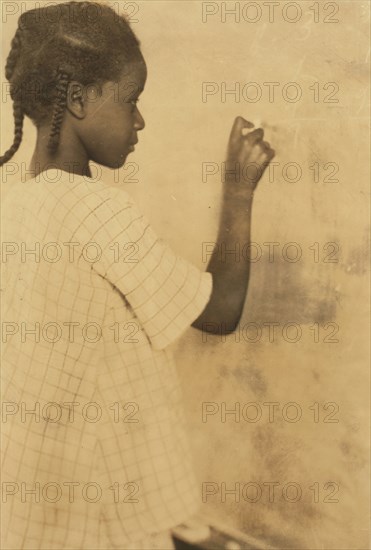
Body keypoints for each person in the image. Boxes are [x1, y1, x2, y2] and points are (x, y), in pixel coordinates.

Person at [0, 2, 275, 549]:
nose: (140, 120)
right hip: (97, 498)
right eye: (131, 100)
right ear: (78, 100)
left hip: (30, 484)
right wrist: (240, 189)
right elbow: (219, 313)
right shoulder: (98, 211)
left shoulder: (13, 202)